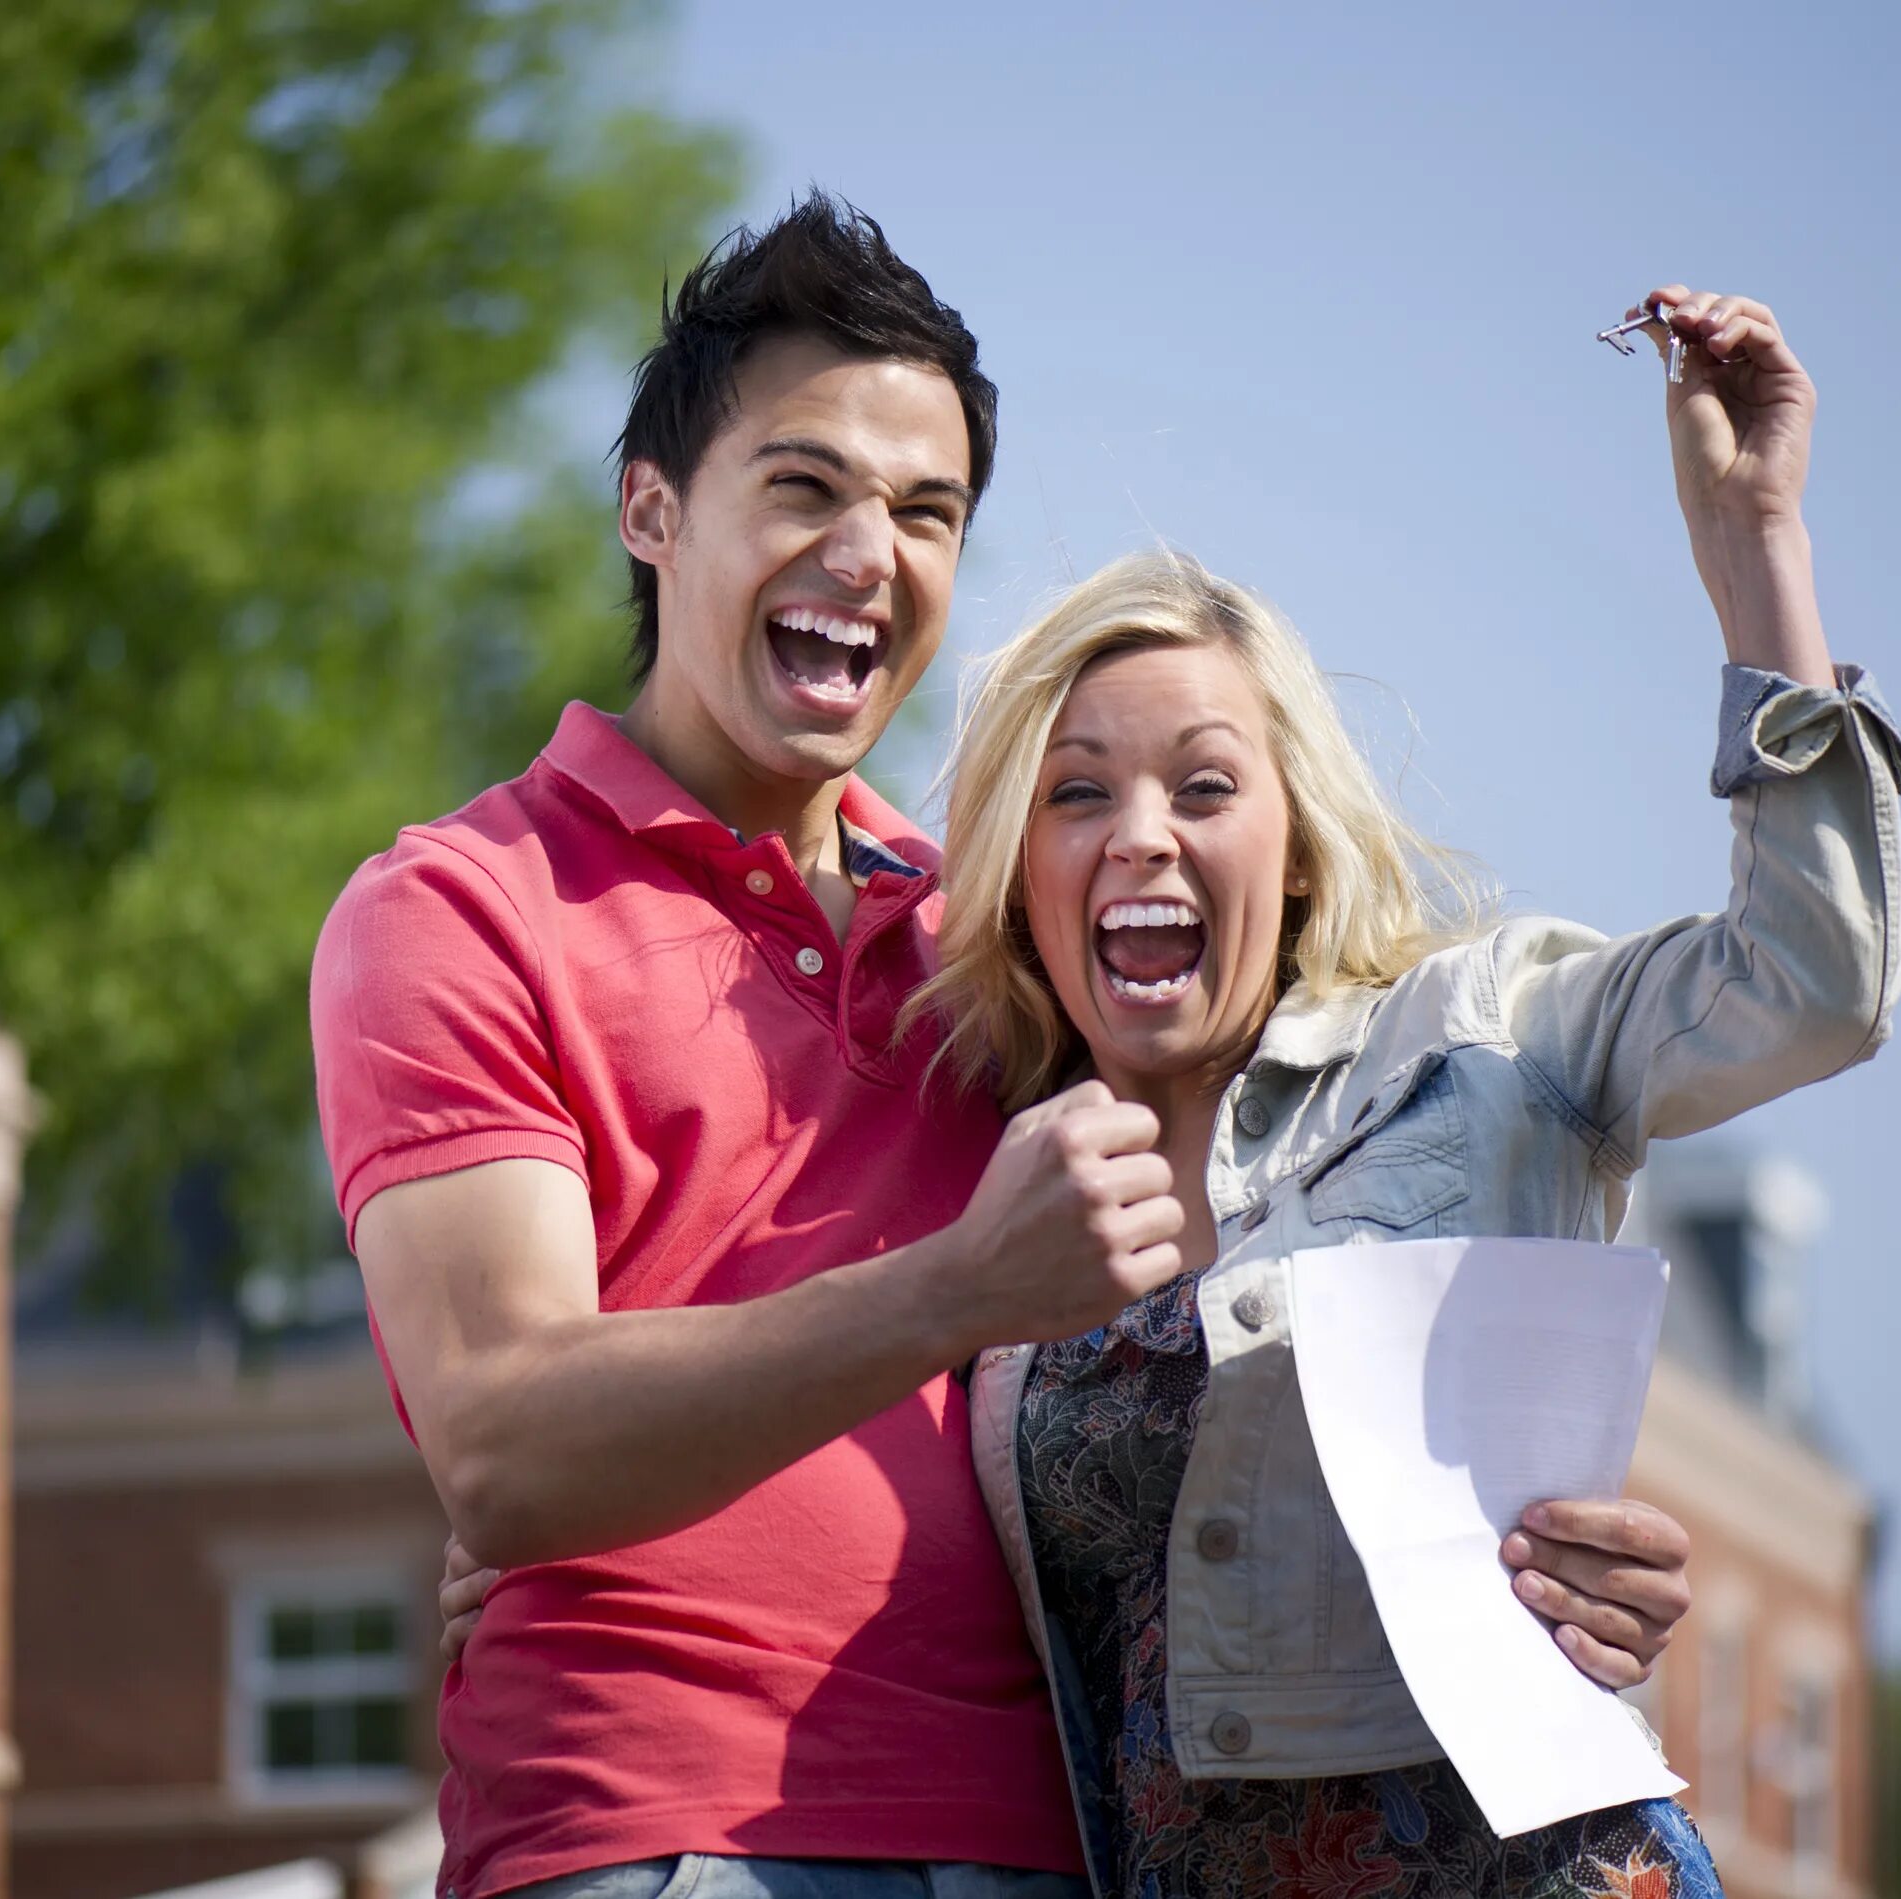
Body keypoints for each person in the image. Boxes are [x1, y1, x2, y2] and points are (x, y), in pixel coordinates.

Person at [313, 198, 1690, 1899]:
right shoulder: (460, 906)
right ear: (652, 511)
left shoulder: (1002, 944)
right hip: (664, 1837)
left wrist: (1533, 1547)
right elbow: (510, 1447)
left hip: (1065, 1852)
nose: (869, 552)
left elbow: (1285, 1300)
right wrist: (951, 1291)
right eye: (804, 487)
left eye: (925, 511)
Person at [911, 292, 1901, 1894]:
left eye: (1206, 785)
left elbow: (1815, 982)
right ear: (1017, 872)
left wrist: (1756, 552)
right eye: (1078, 792)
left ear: (1296, 843)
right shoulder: (984, 1195)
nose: (1142, 835)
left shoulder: (1488, 1034)